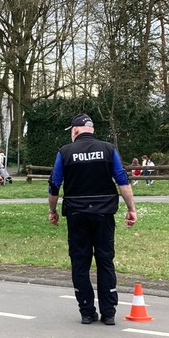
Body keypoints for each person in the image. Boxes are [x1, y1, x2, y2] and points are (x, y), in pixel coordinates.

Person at [47, 113, 137, 326]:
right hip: (104, 213)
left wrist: (53, 210)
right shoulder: (108, 149)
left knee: (80, 262)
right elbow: (122, 181)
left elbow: (54, 185)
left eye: (71, 130)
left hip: (77, 214)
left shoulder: (65, 152)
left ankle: (87, 310)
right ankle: (109, 312)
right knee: (105, 260)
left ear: (76, 130)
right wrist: (131, 208)